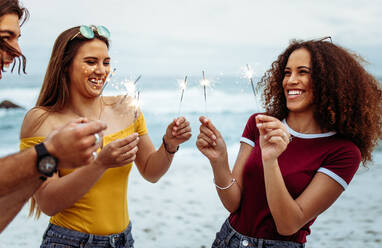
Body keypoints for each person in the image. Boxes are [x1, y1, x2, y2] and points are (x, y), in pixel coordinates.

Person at [196, 38, 382, 247]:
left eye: (303, 72)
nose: (291, 80)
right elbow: (233, 204)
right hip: (227, 240)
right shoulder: (258, 124)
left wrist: (270, 159)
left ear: (329, 80)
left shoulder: (343, 152)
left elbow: (288, 225)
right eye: (287, 73)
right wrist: (219, 161)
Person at [20, 25, 192, 248]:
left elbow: (151, 171)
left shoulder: (126, 108)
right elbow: (48, 202)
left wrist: (169, 145)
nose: (101, 71)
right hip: (70, 242)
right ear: (65, 66)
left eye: (106, 62)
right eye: (90, 62)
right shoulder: (41, 121)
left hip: (123, 241)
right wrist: (100, 165)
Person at [0, 0, 107, 233]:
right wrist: (51, 152)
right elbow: (47, 203)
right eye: (6, 36)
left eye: (17, 37)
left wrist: (49, 160)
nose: (17, 50)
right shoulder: (39, 120)